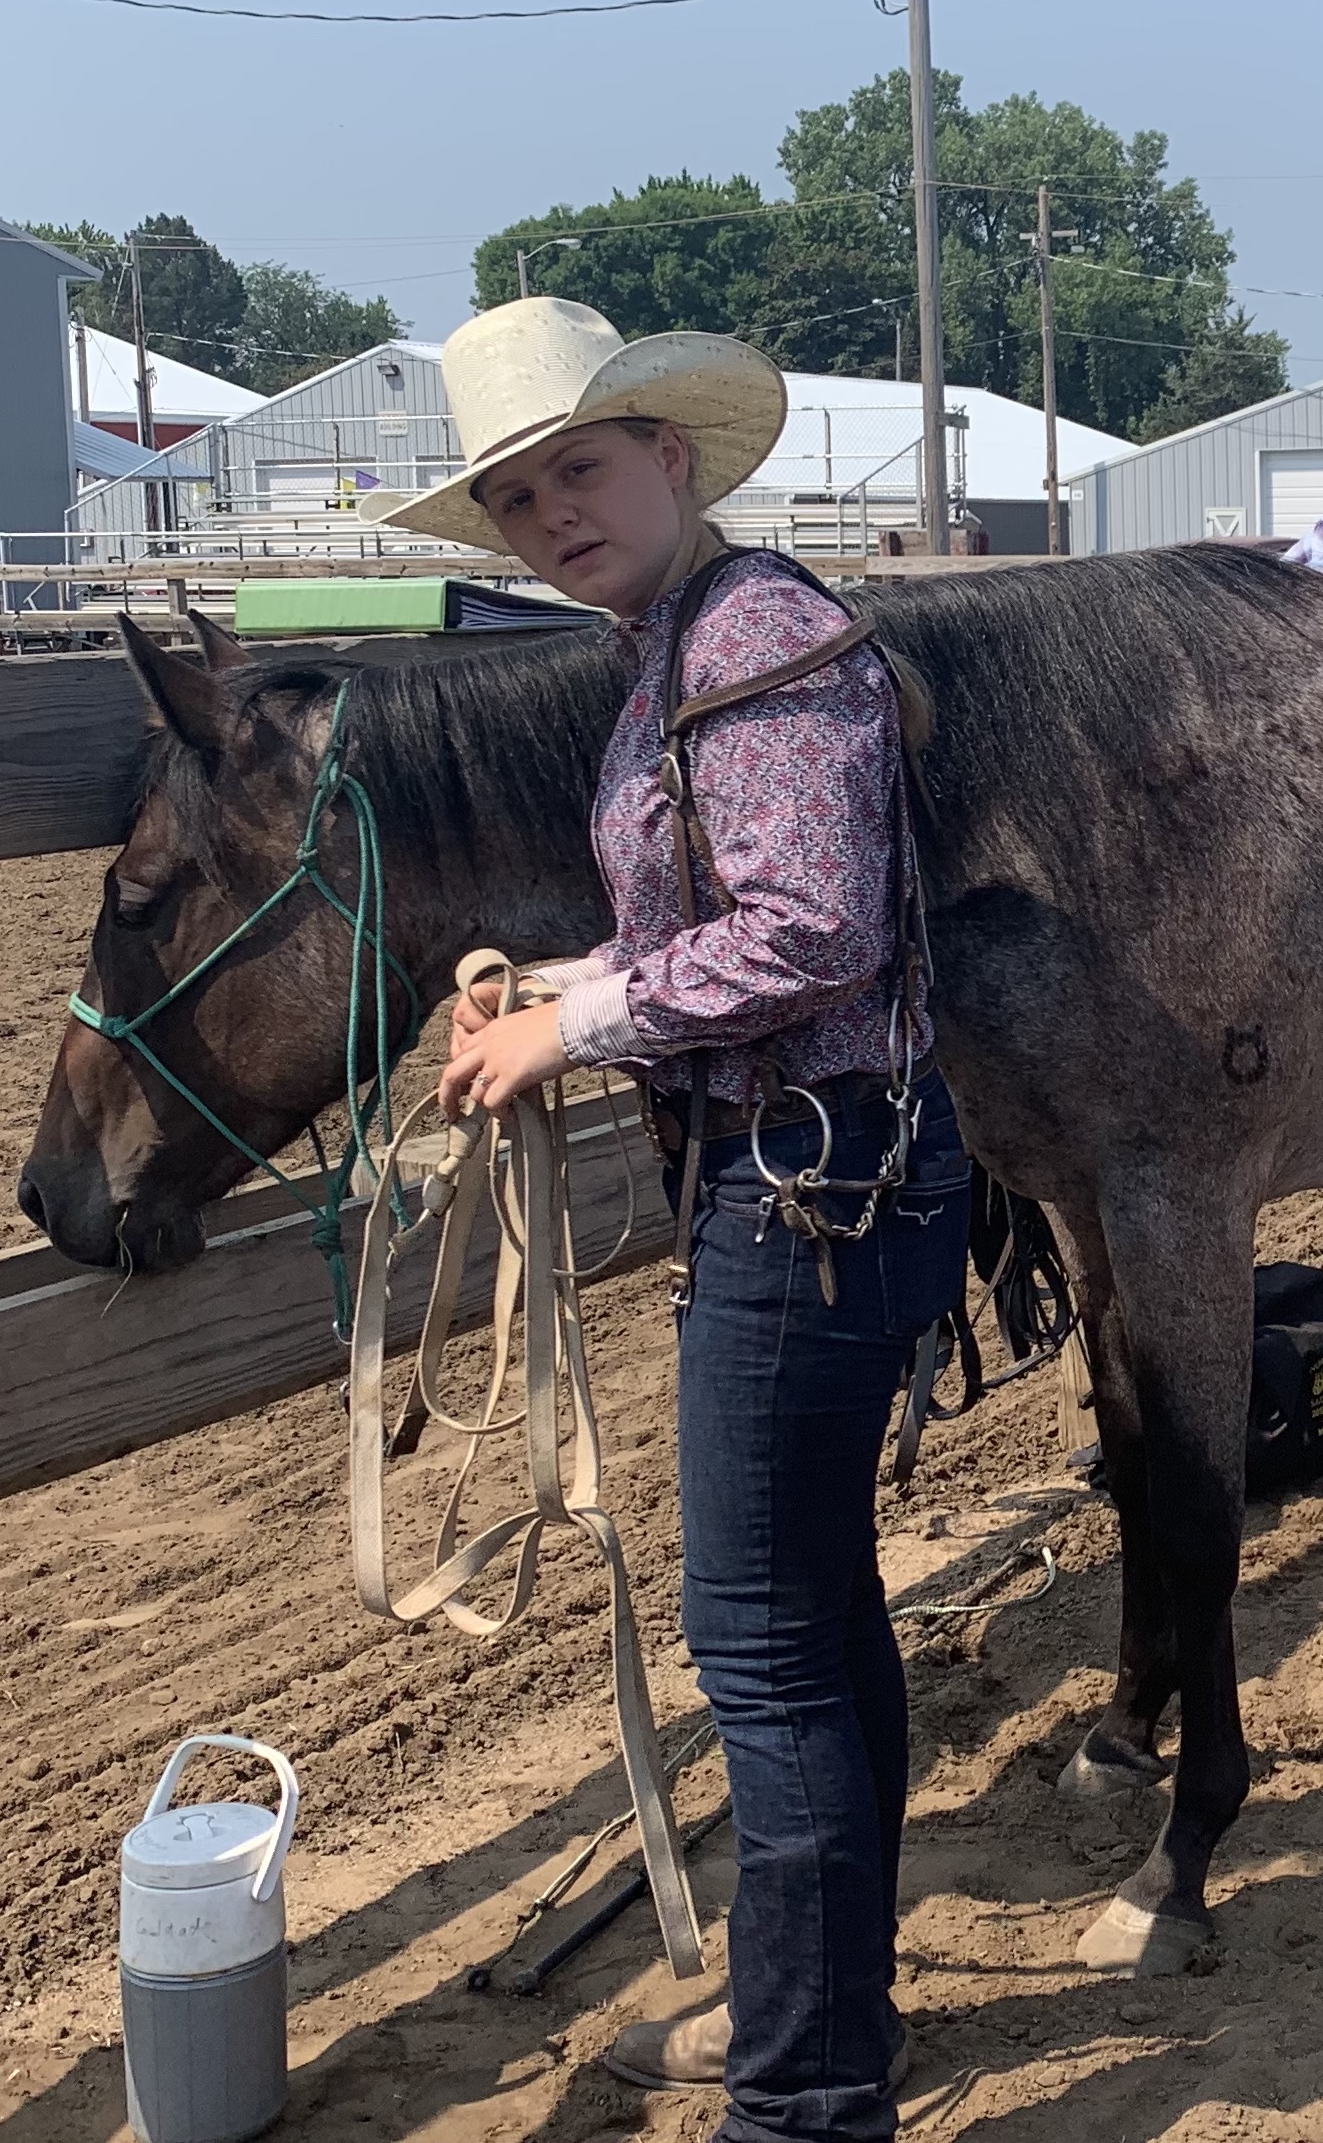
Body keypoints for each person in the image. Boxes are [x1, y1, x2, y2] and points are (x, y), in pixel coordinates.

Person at [389, 298, 971, 2143]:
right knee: (815, 1622)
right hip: (818, 1172)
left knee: (767, 1646)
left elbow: (813, 928)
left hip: (806, 1188)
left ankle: (803, 2100)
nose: (550, 512)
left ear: (672, 459)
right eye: (514, 495)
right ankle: (837, 2032)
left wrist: (580, 1021)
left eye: (578, 467)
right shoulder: (685, 644)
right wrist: (565, 981)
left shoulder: (757, 640)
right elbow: (731, 910)